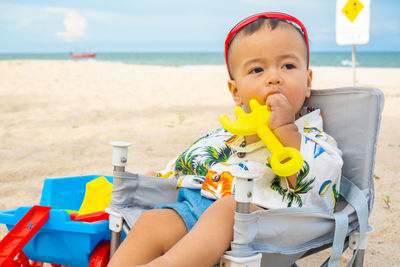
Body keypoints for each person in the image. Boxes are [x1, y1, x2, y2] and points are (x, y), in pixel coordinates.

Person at [108, 12, 343, 267]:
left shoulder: (311, 136)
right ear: (236, 92)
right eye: (257, 69)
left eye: (288, 66)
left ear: (307, 81)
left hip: (264, 219)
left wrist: (287, 131)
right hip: (199, 206)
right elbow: (198, 156)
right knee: (153, 222)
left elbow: (321, 182)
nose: (274, 77)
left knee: (228, 210)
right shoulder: (230, 133)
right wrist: (165, 173)